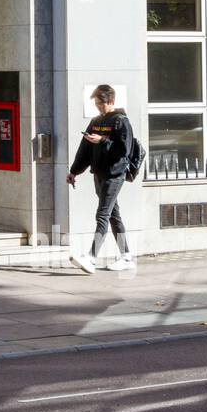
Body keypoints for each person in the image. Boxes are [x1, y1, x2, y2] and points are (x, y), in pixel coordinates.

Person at [66, 84, 136, 274]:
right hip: (99, 173)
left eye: (101, 104)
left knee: (102, 214)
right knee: (113, 215)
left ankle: (91, 257)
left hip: (114, 174)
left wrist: (103, 141)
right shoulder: (96, 121)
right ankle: (126, 256)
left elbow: (125, 151)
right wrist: (74, 171)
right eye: (96, 104)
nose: (98, 107)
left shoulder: (121, 121)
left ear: (111, 101)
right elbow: (85, 149)